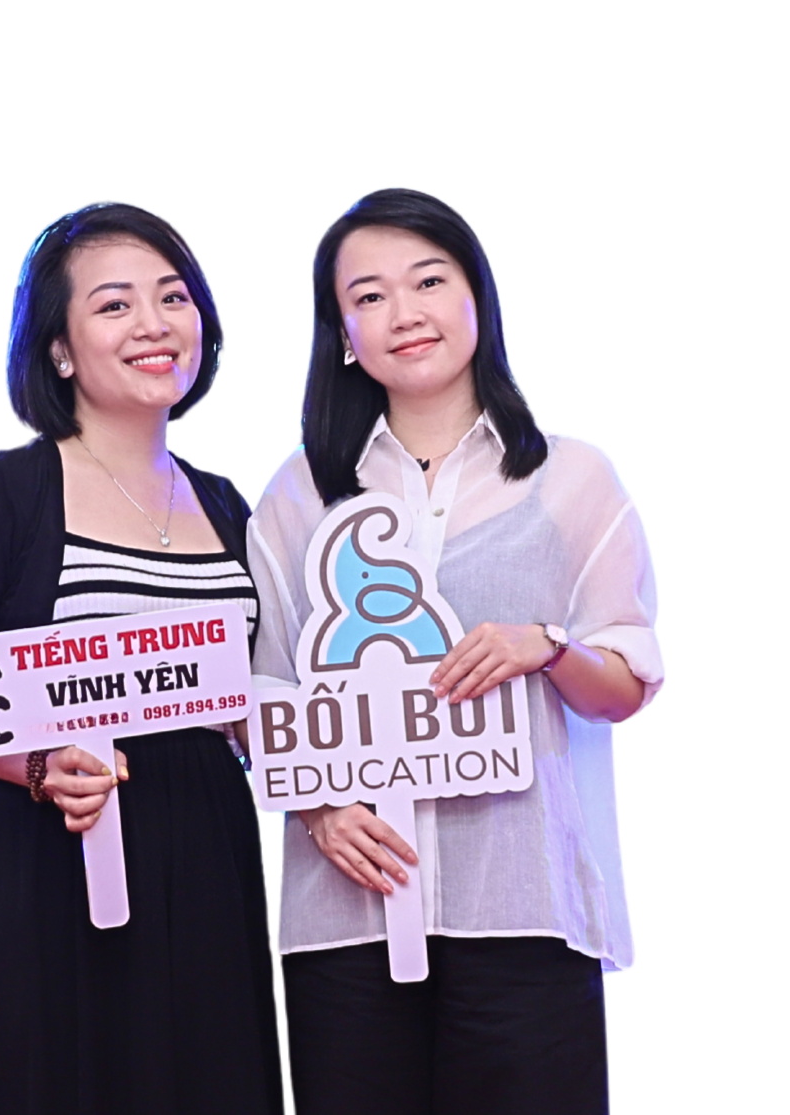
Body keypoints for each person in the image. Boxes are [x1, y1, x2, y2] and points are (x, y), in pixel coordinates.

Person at [248, 187, 664, 1115]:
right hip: (344, 923)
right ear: (342, 334)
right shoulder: (298, 492)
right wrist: (318, 809)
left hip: (523, 912)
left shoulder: (571, 476)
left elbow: (625, 685)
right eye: (368, 296)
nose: (404, 312)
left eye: (428, 281)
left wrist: (545, 648)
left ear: (477, 294)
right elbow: (262, 692)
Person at [0, 200, 285, 1115]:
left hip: (206, 852)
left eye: (173, 297)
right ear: (59, 350)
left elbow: (252, 692)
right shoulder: (4, 491)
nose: (153, 324)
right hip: (50, 851)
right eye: (114, 305)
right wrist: (37, 766)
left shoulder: (230, 503)